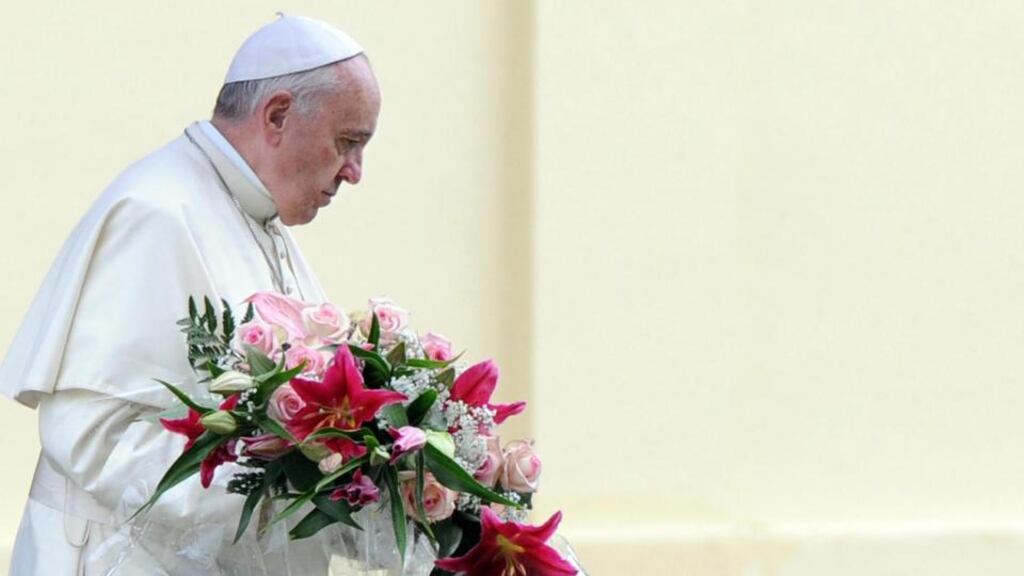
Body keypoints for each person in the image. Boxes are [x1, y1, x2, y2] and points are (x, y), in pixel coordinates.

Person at [0, 14, 393, 575]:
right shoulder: (156, 211)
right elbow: (91, 437)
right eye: (347, 142)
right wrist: (282, 482)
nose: (354, 171)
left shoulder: (258, 220)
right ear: (278, 114)